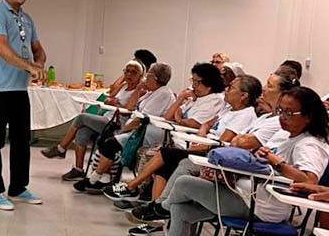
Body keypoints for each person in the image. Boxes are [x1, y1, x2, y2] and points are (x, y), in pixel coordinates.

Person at [123, 73, 301, 236]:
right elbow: (213, 130)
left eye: (269, 85)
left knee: (178, 168)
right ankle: (156, 209)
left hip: (244, 190)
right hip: (234, 177)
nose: (263, 89)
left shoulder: (273, 124)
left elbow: (237, 143)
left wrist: (272, 160)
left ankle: (151, 203)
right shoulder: (255, 116)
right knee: (176, 186)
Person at [162, 86, 329, 236]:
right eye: (280, 111)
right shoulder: (284, 134)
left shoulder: (310, 144)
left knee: (185, 183)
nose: (282, 117)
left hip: (260, 207)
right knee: (180, 209)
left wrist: (276, 162)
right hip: (243, 194)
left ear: (308, 116)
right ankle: (164, 208)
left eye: (289, 113)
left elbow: (310, 181)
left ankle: (159, 208)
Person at [103, 75, 261, 204]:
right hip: (201, 146)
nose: (227, 89)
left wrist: (198, 141)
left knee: (166, 153)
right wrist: (202, 132)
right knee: (164, 162)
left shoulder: (245, 115)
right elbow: (207, 124)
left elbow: (221, 144)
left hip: (212, 156)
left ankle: (133, 188)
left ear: (243, 95)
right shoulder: (228, 109)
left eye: (232, 87)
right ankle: (152, 207)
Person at [0, 0, 47, 211]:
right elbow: (1, 47)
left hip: (19, 90)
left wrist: (38, 63)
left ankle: (18, 187)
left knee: (21, 140)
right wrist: (28, 65)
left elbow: (38, 48)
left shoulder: (27, 19)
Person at [70, 62, 175, 192]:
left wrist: (124, 130)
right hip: (135, 128)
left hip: (146, 132)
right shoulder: (150, 92)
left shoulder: (163, 94)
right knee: (102, 139)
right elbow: (131, 106)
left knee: (110, 143)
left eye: (148, 76)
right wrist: (137, 90)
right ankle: (102, 179)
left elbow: (141, 118)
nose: (145, 79)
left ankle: (93, 179)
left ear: (155, 78)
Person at [39, 60, 145, 182]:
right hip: (107, 117)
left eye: (133, 72)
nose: (129, 75)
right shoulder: (123, 86)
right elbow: (108, 98)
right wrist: (110, 101)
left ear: (140, 76)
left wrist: (119, 103)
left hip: (118, 122)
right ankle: (78, 170)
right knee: (82, 131)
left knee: (81, 118)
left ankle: (61, 149)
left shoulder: (139, 90)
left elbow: (129, 108)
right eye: (127, 71)